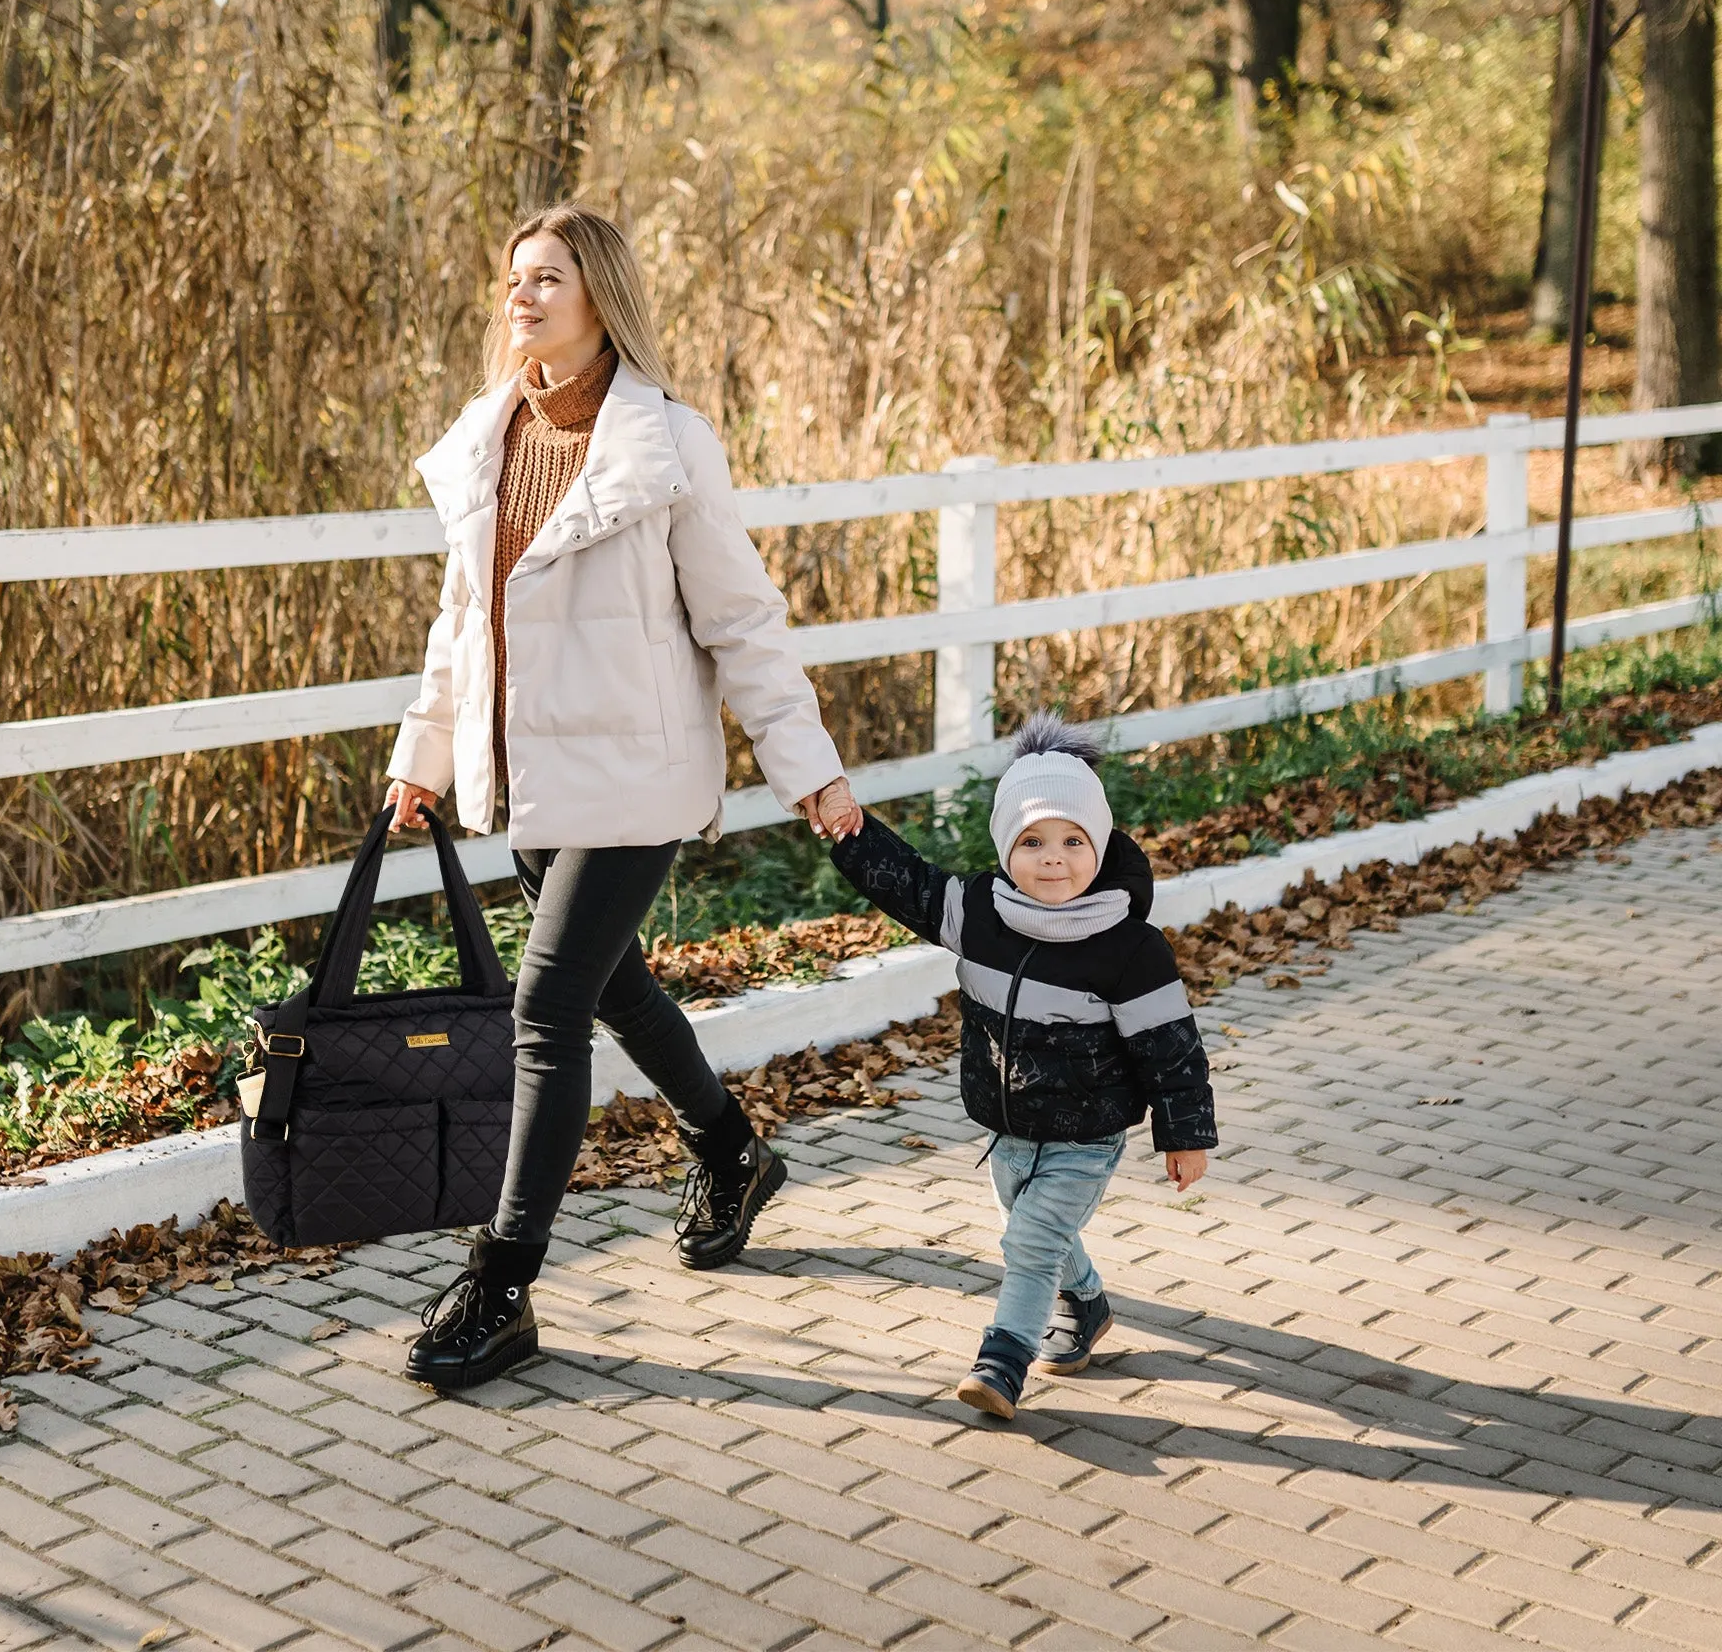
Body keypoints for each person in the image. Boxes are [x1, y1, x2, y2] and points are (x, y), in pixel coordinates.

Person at [384, 202, 864, 1393]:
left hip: (639, 777)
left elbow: (740, 620)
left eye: (547, 277)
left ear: (600, 293)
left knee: (544, 1003)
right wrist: (422, 757)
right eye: (512, 280)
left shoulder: (666, 443)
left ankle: (502, 1282)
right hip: (530, 774)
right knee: (613, 986)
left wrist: (807, 768)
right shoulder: (486, 440)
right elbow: (464, 623)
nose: (522, 297)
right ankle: (730, 1146)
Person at [827, 713, 1215, 1419]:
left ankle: (1003, 1362)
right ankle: (1088, 1304)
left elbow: (1172, 1047)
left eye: (1073, 840)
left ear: (1098, 844)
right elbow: (903, 881)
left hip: (1087, 1134)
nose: (1054, 858)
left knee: (1030, 1239)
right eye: (1032, 842)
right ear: (1008, 847)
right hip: (1007, 1126)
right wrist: (848, 828)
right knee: (1036, 1227)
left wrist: (1184, 1132)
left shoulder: (1128, 947)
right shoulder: (978, 910)